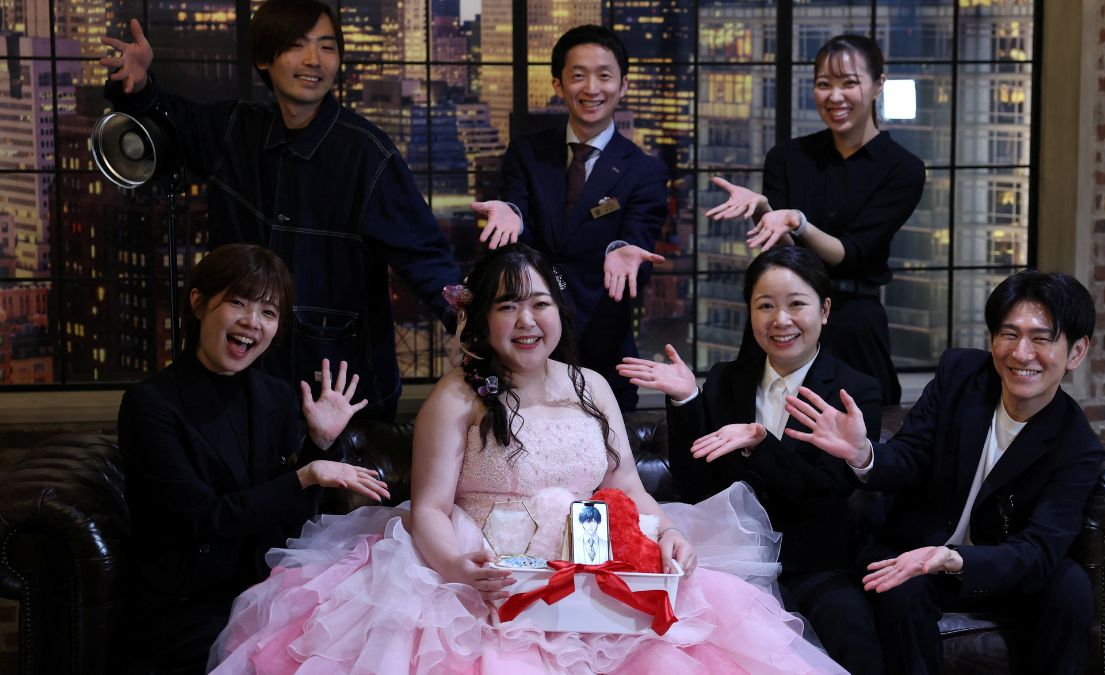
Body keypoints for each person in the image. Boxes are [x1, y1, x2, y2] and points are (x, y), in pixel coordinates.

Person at [207, 243, 846, 674]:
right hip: (486, 577)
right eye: (507, 306)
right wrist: (460, 568)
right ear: (482, 320)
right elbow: (427, 507)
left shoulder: (592, 386)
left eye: (538, 303)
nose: (526, 320)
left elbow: (625, 483)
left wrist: (670, 530)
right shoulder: (456, 400)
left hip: (593, 573)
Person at [101, 0, 461, 420]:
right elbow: (168, 120)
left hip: (342, 392)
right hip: (238, 383)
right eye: (297, 46)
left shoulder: (367, 154)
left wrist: (471, 321)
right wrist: (139, 85)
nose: (314, 61)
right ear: (263, 58)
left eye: (327, 47)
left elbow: (426, 257)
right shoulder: (234, 130)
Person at [786, 270, 1104, 674]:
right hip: (916, 549)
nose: (1022, 353)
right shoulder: (961, 376)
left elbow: (1038, 551)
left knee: (1071, 588)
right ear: (992, 339)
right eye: (1009, 334)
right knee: (899, 582)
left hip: (994, 567)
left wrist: (953, 558)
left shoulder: (1076, 445)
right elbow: (910, 457)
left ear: (1076, 352)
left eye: (1041, 339)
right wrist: (864, 453)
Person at [117, 243, 390, 674]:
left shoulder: (277, 397)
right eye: (237, 303)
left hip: (269, 589)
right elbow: (204, 520)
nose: (252, 322)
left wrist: (320, 444)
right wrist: (305, 474)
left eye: (268, 311)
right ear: (199, 303)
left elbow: (292, 523)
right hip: (190, 603)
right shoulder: (150, 404)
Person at [618, 245, 885, 674]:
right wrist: (687, 399)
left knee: (850, 628)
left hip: (812, 564)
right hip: (731, 565)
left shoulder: (855, 391)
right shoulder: (727, 380)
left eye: (797, 304)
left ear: (826, 310)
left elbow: (826, 494)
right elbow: (698, 490)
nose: (781, 320)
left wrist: (763, 442)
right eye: (765, 306)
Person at [707, 34, 925, 405]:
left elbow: (848, 253)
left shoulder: (903, 169)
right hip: (785, 313)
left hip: (853, 320)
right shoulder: (787, 157)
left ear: (877, 85)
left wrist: (797, 221)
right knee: (756, 420)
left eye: (849, 83)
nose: (835, 96)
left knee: (860, 433)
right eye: (824, 85)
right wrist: (764, 210)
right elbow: (791, 258)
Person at [471, 24, 668, 412]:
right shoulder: (527, 151)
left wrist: (621, 249)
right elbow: (516, 218)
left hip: (601, 354)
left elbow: (638, 255)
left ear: (623, 85)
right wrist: (511, 213)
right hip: (522, 349)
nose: (591, 88)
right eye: (578, 76)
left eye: (604, 75)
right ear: (559, 85)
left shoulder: (644, 171)